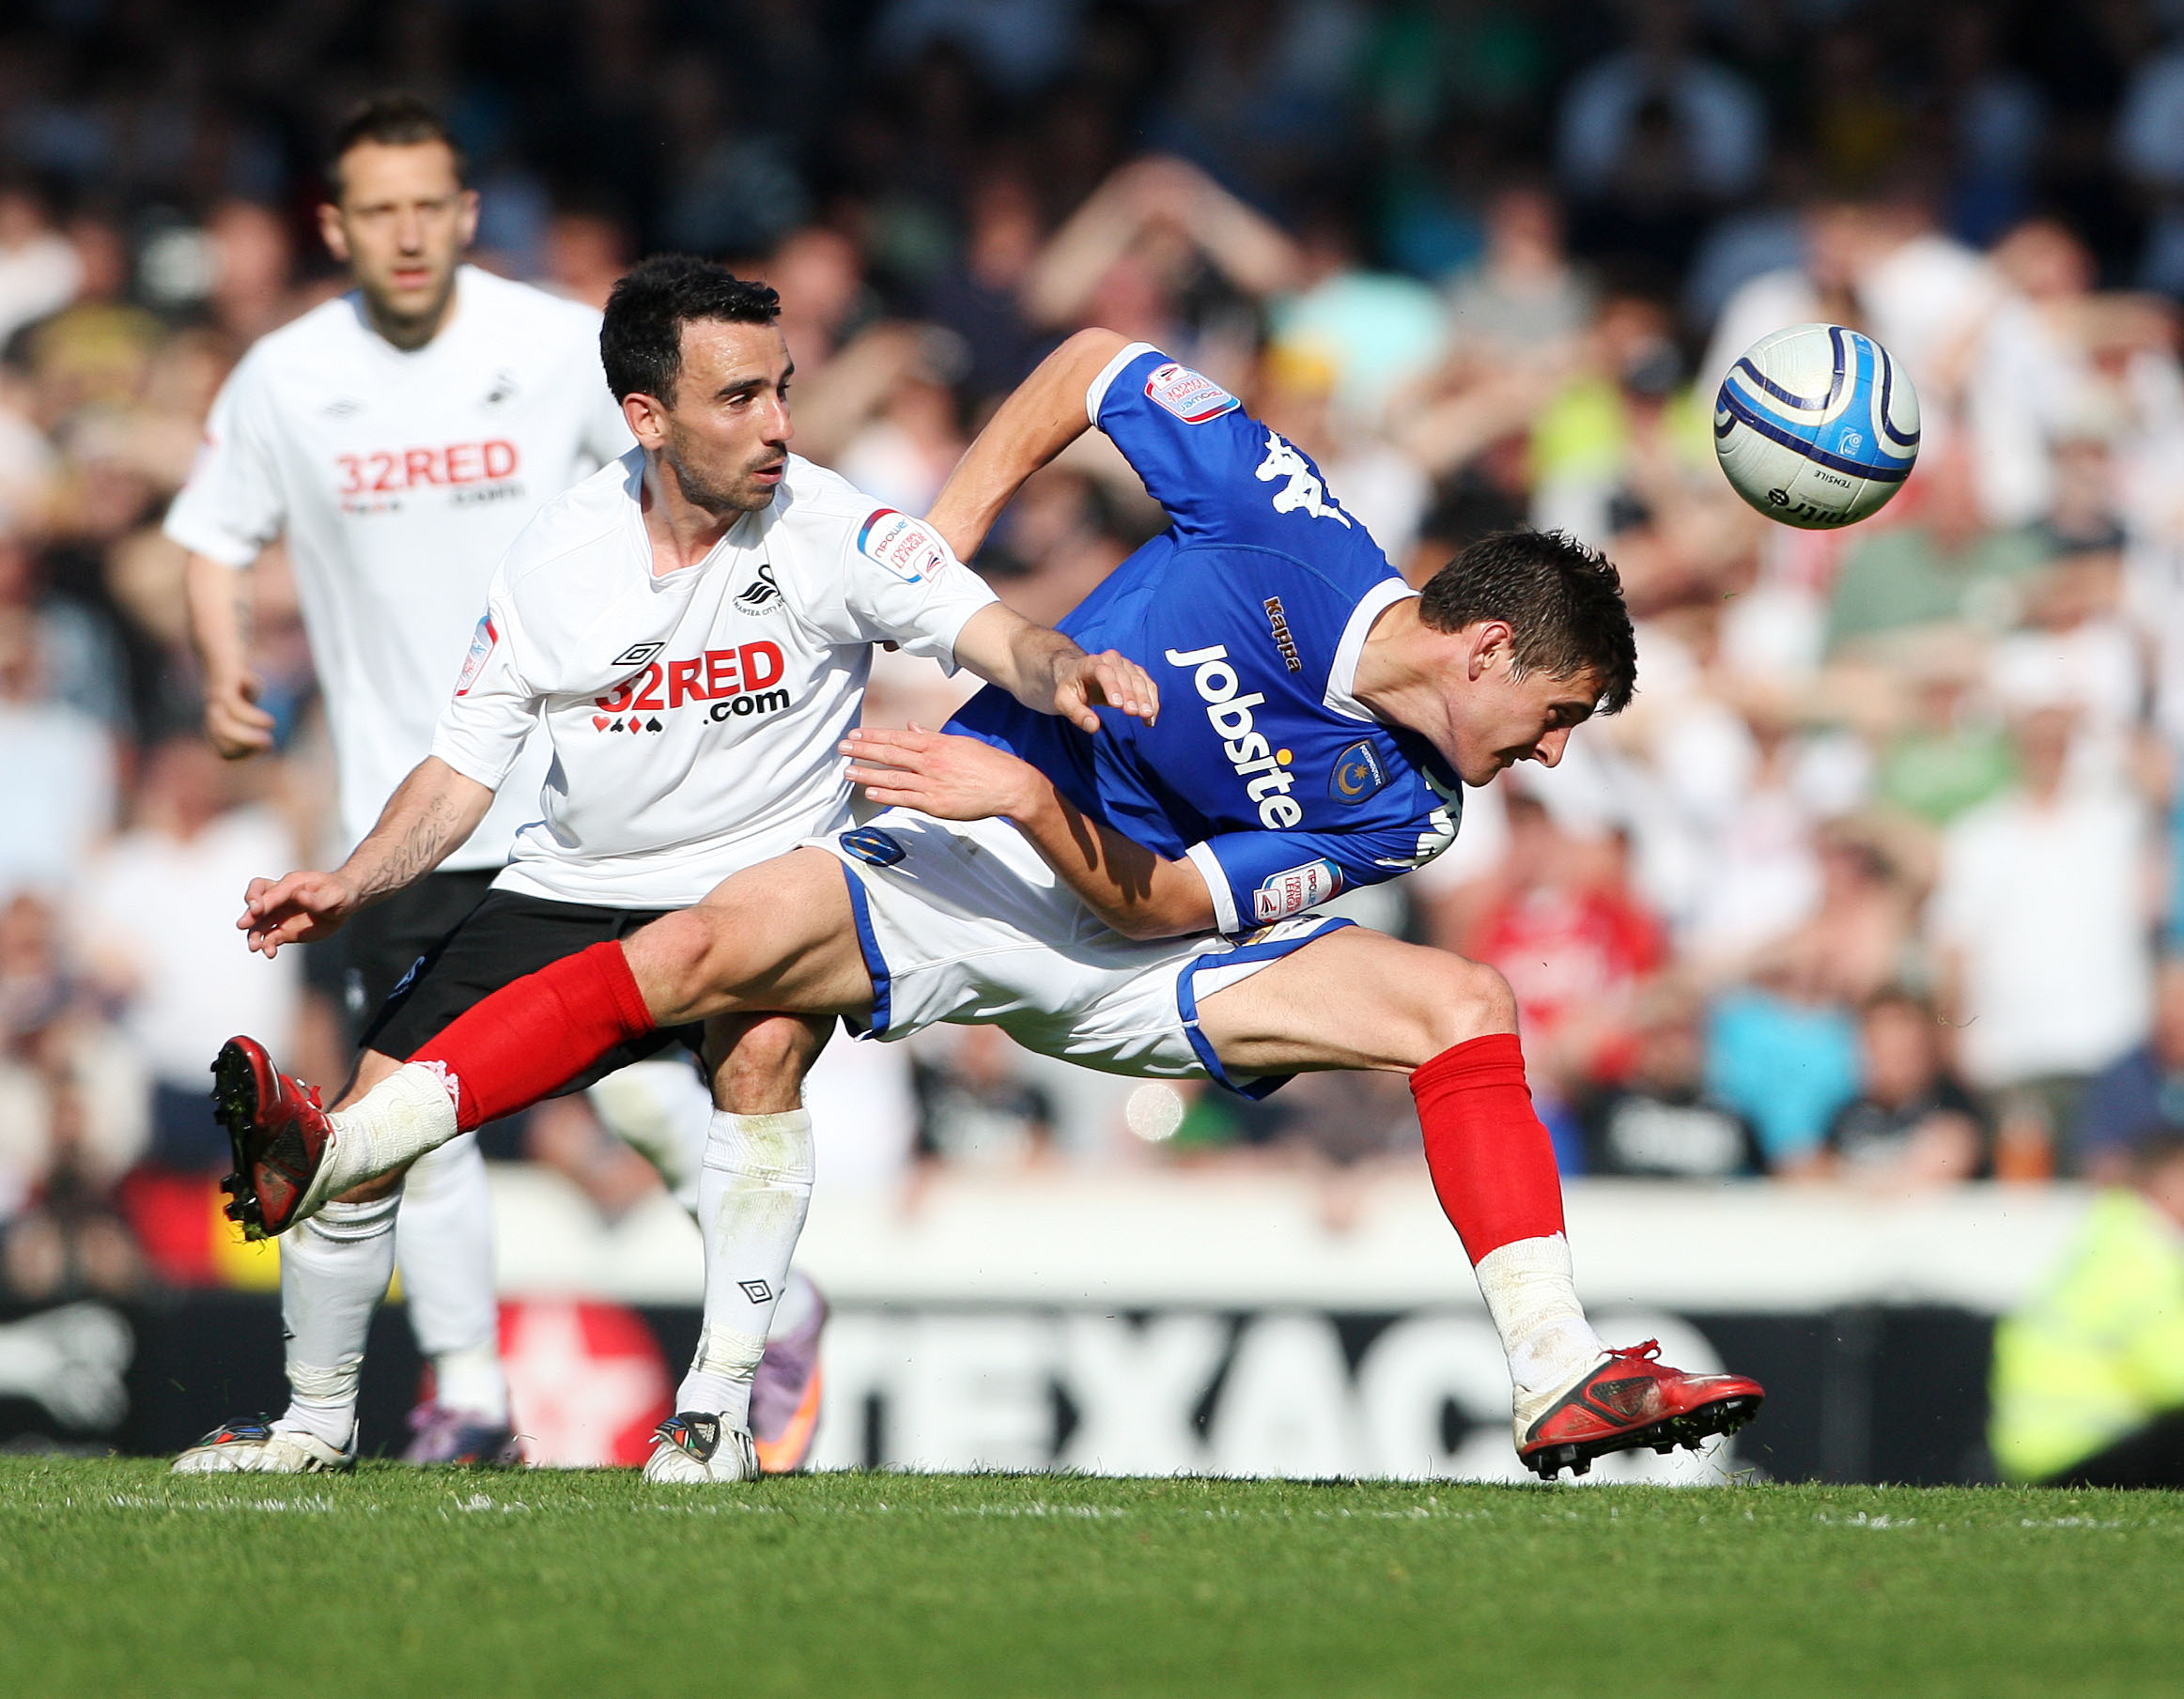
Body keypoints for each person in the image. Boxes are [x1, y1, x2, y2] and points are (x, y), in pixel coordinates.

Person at [215, 330, 1762, 1482]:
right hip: (968, 872)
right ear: (1488, 647)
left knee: (1461, 1003)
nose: (1554, 752)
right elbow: (1093, 363)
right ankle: (356, 1167)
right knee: (705, 963)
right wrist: (933, 557)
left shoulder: (1413, 798)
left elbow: (1164, 907)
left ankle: (1554, 1363)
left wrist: (1033, 792)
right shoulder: (1288, 523)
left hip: (1135, 939)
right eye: (1559, 711)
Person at [196, 261, 1154, 1485]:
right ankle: (313, 1425)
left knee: (758, 1060)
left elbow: (987, 629)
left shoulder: (833, 529)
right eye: (738, 398)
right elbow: (458, 776)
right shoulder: (557, 554)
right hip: (572, 887)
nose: (776, 427)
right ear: (646, 417)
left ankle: (713, 1410)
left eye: (783, 391)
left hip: (762, 895)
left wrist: (1054, 666)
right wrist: (350, 880)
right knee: (367, 1127)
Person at [163, 95, 636, 1468]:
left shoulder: (557, 348)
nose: (410, 231)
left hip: (584, 791)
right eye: (379, 209)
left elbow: (667, 521)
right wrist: (222, 667)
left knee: (663, 1088)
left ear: (470, 212)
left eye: (432, 203)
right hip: (407, 819)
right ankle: (472, 1394)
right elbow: (210, 535)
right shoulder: (288, 376)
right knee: (418, 1109)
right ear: (335, 225)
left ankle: (758, 1333)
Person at [1990, 1134, 2184, 1488]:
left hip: (2040, 1449)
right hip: (2078, 1451)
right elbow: (2174, 1377)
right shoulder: (2142, 1256)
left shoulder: (2113, 1234)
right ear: (2169, 1178)